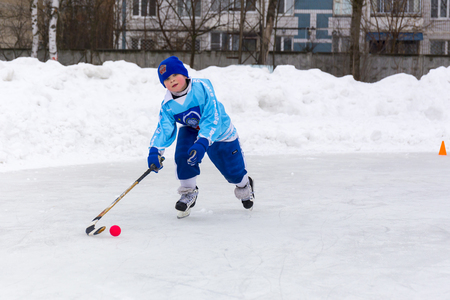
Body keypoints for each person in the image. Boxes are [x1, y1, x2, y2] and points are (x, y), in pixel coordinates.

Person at [147, 56, 254, 218]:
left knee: (233, 173)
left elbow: (212, 115)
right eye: (167, 79)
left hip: (220, 133)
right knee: (183, 152)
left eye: (174, 75)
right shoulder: (168, 105)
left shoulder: (202, 87)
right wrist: (155, 151)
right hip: (193, 130)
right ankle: (188, 192)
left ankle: (245, 185)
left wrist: (203, 141)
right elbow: (164, 128)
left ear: (184, 74)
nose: (172, 80)